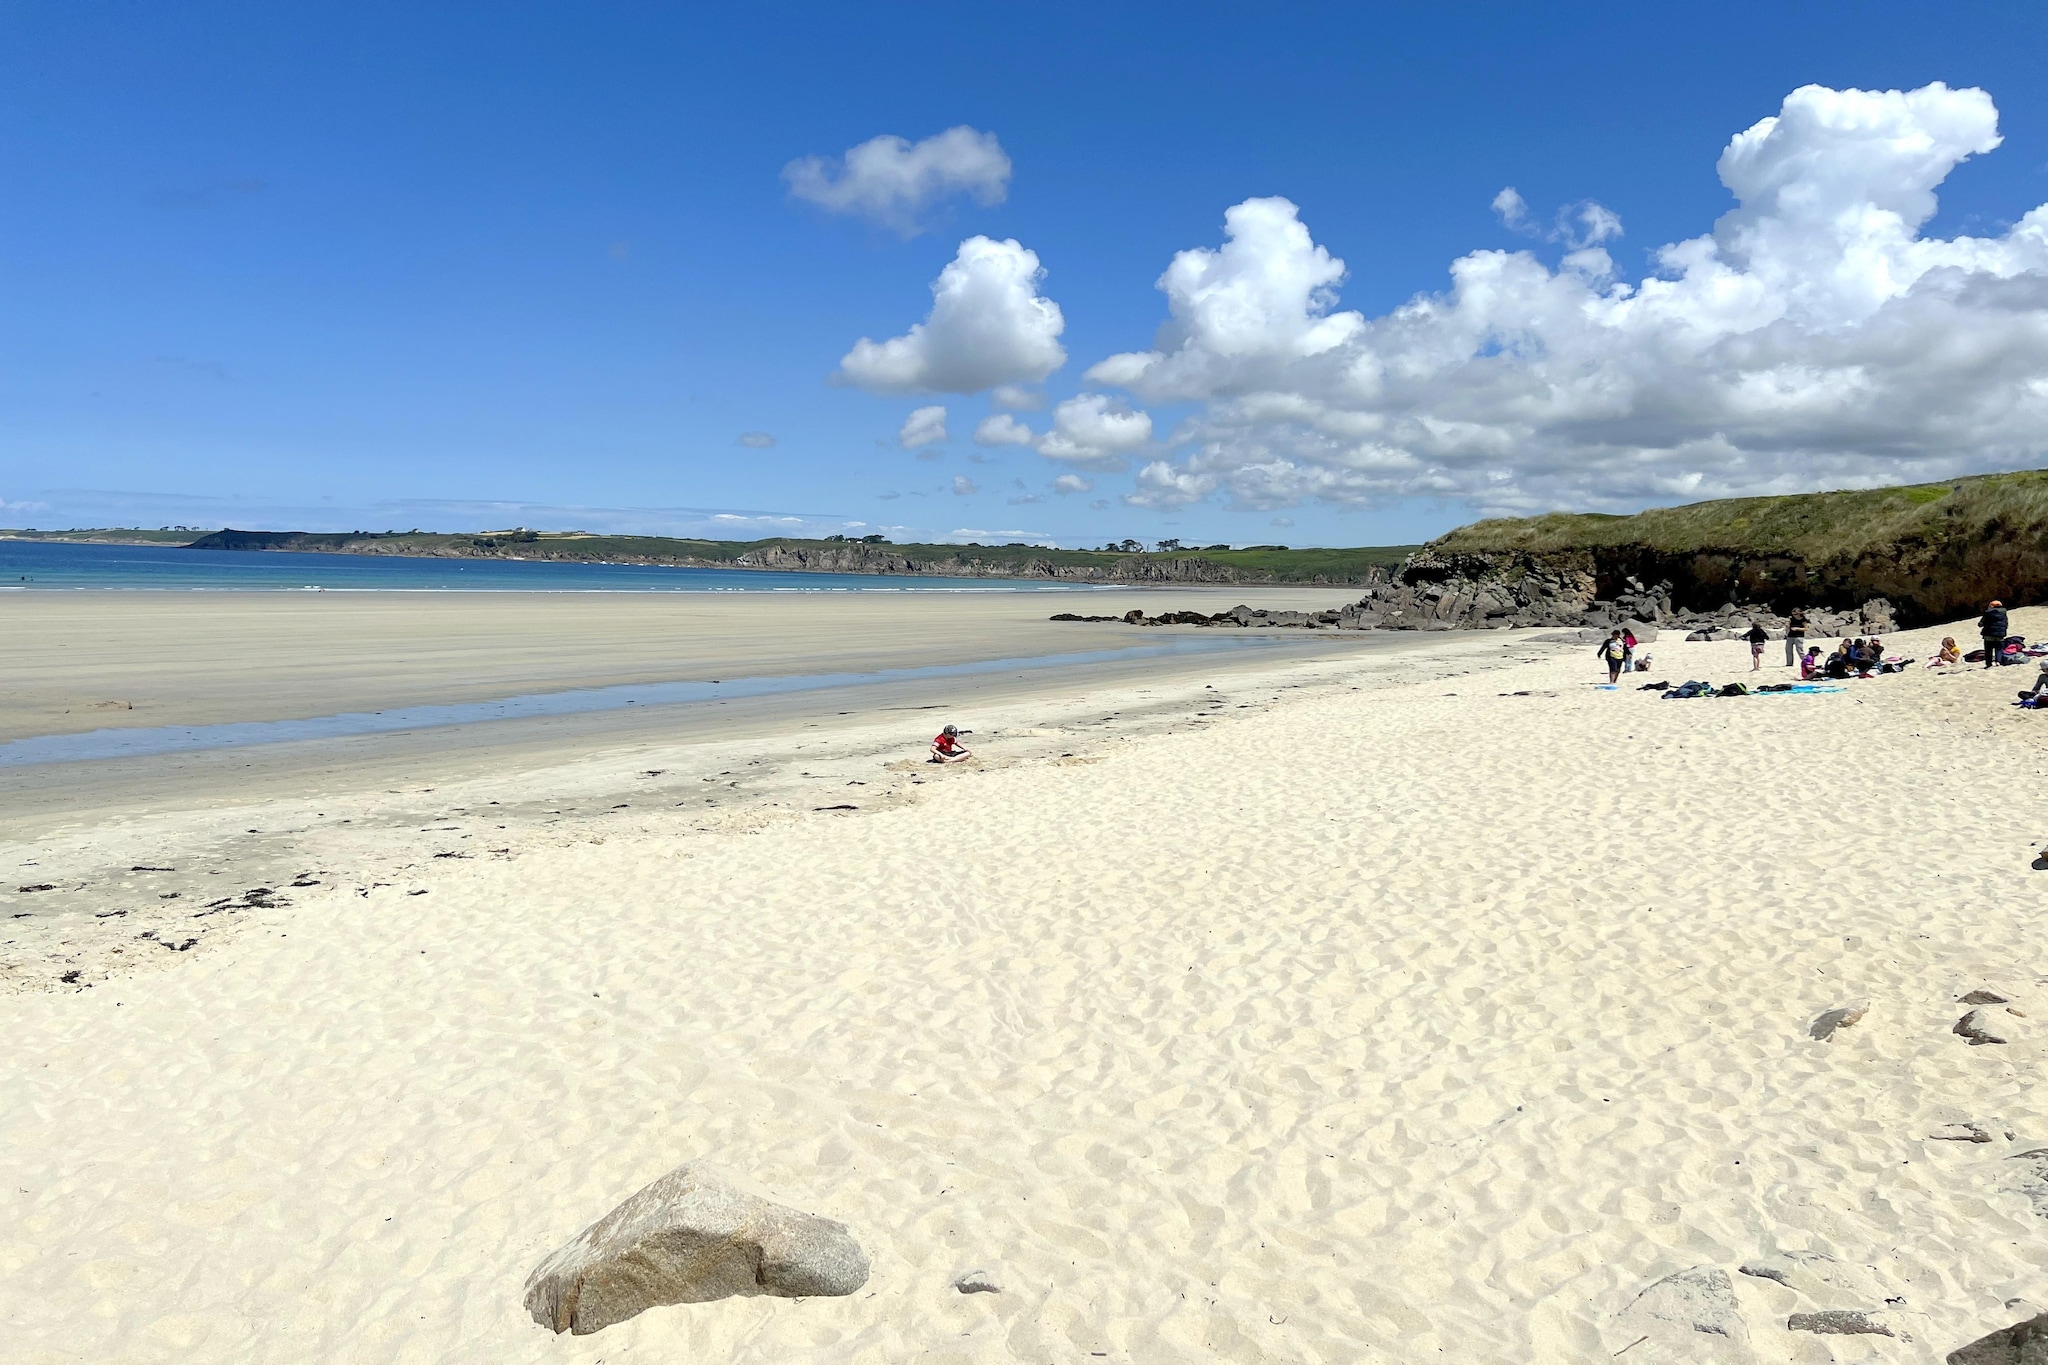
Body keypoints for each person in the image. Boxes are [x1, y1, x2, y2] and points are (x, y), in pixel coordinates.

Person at [1981, 600, 2010, 669]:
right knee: (1999, 648)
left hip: (1989, 634)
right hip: (2000, 634)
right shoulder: (2003, 613)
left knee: (1988, 650)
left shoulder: (1987, 613)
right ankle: (1998, 662)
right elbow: (2006, 624)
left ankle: (1989, 663)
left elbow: (1981, 623)